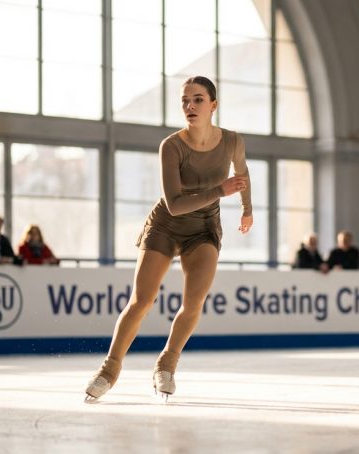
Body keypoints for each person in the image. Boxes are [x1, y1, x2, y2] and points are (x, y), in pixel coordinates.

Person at [84, 76, 251, 403]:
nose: (190, 106)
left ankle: (167, 363)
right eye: (185, 100)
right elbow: (174, 203)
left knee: (194, 302)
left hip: (204, 227)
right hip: (166, 224)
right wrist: (220, 190)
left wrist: (247, 209)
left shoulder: (232, 142)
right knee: (142, 299)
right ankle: (109, 369)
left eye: (198, 100)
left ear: (213, 105)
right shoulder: (171, 146)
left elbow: (242, 177)